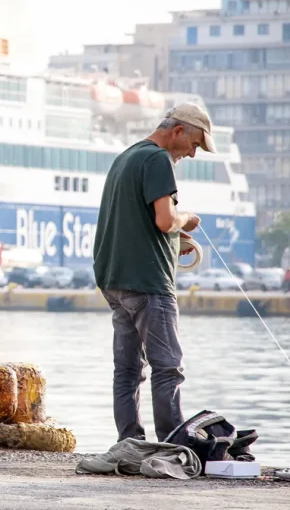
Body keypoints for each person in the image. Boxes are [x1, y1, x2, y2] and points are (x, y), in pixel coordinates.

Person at [93, 102, 216, 443]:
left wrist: (177, 238)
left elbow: (141, 223)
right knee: (168, 367)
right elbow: (165, 219)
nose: (192, 154)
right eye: (194, 145)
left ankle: (130, 442)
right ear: (177, 131)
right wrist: (186, 219)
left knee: (128, 371)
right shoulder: (158, 159)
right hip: (148, 284)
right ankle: (174, 443)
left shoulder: (127, 157)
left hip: (115, 279)